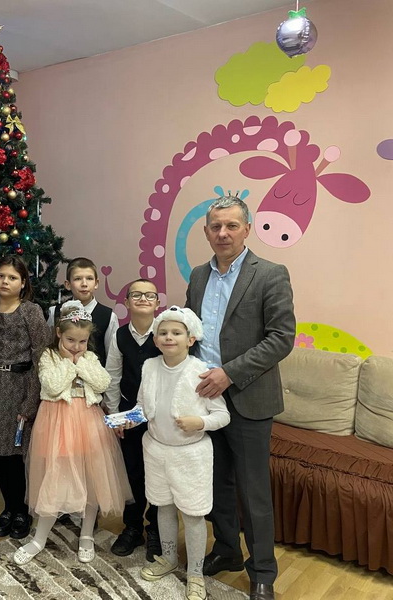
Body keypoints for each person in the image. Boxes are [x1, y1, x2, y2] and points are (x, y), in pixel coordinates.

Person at [186, 195, 295, 600]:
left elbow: (281, 338)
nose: (223, 233)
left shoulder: (270, 274)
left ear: (247, 229)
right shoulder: (199, 275)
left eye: (232, 225)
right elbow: (192, 331)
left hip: (248, 397)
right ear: (206, 232)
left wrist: (229, 373)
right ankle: (227, 550)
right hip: (205, 398)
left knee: (253, 491)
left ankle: (263, 571)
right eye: (216, 226)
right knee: (216, 483)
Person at [13, 300, 132, 565]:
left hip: (89, 421)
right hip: (56, 422)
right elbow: (52, 386)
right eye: (70, 341)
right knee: (55, 477)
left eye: (82, 342)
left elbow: (103, 382)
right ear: (58, 333)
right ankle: (39, 538)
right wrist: (70, 363)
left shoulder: (90, 357)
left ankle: (87, 534)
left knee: (91, 477)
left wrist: (82, 363)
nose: (76, 347)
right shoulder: (49, 356)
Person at [125, 307, 230, 600]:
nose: (169, 337)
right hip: (156, 450)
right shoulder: (149, 367)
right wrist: (128, 419)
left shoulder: (201, 372)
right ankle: (169, 557)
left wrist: (200, 422)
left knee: (193, 514)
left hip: (190, 455)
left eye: (176, 333)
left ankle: (195, 572)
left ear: (190, 339)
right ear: (155, 340)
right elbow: (142, 407)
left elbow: (223, 415)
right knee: (163, 506)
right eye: (163, 333)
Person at [0, 256, 51, 540]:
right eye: (1, 276)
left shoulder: (31, 312)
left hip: (19, 386)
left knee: (16, 453)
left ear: (23, 282)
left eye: (12, 277)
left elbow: (41, 356)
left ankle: (22, 510)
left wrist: (31, 400)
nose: (5, 281)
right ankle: (9, 507)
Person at [104, 278, 162, 560]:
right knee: (132, 472)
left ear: (157, 303)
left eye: (149, 295)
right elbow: (113, 375)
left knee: (158, 474)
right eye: (136, 294)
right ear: (126, 302)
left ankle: (157, 530)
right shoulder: (120, 336)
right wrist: (115, 416)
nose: (142, 299)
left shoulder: (165, 332)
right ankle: (133, 527)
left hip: (159, 417)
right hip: (129, 415)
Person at [46, 257, 119, 367]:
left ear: (96, 283)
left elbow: (112, 357)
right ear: (68, 284)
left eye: (89, 278)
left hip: (94, 375)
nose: (84, 284)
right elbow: (49, 348)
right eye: (77, 279)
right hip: (61, 373)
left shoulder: (109, 316)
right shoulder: (55, 312)